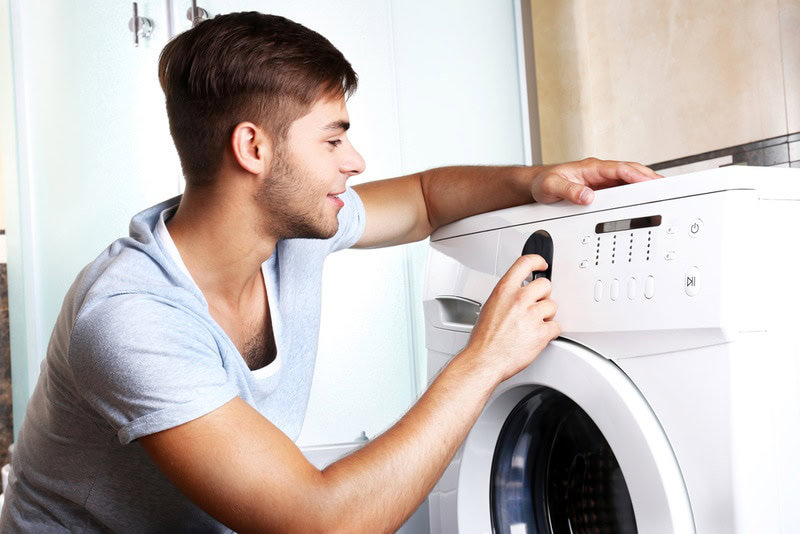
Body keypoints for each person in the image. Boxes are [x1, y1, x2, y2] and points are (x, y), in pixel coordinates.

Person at [0, 11, 660, 533]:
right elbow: (316, 524)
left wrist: (536, 180)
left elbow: (425, 199)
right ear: (252, 148)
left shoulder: (289, 231)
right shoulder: (129, 318)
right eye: (333, 137)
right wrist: (485, 360)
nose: (357, 160)